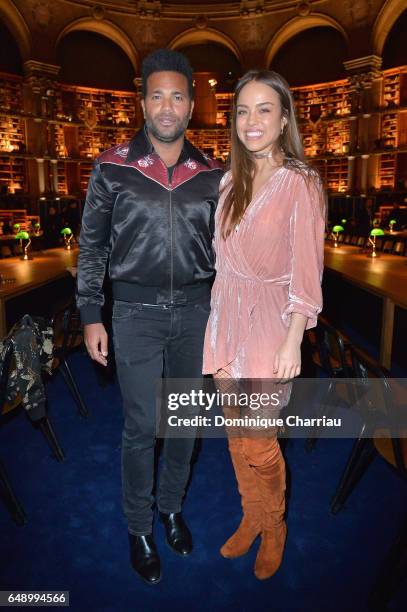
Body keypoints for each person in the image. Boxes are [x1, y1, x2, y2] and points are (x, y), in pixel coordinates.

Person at [76, 49, 223, 584]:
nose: (167, 106)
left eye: (178, 96)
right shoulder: (111, 166)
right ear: (143, 103)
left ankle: (170, 508)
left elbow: (229, 253)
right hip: (134, 314)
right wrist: (91, 312)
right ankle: (139, 525)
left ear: (191, 106)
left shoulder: (213, 174)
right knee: (142, 426)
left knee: (183, 422)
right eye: (157, 95)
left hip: (197, 311)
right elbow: (91, 247)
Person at [203, 70, 325, 580]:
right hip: (225, 317)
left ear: (283, 119)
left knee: (259, 441)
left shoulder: (301, 182)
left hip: (270, 326)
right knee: (236, 435)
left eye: (264, 110)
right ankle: (250, 515)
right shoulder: (230, 179)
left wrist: (294, 339)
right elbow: (221, 259)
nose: (251, 121)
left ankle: (274, 524)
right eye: (242, 111)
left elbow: (306, 268)